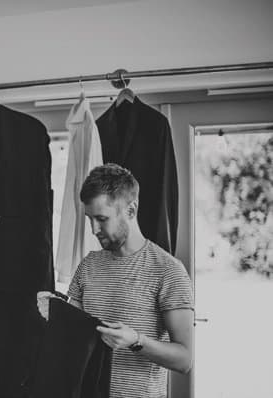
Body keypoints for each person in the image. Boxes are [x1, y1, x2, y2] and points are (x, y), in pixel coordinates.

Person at [37, 163, 193, 398]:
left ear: (130, 211)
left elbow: (184, 360)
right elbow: (72, 337)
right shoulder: (88, 265)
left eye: (101, 218)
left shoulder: (168, 271)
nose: (93, 229)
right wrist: (54, 311)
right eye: (90, 219)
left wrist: (136, 341)